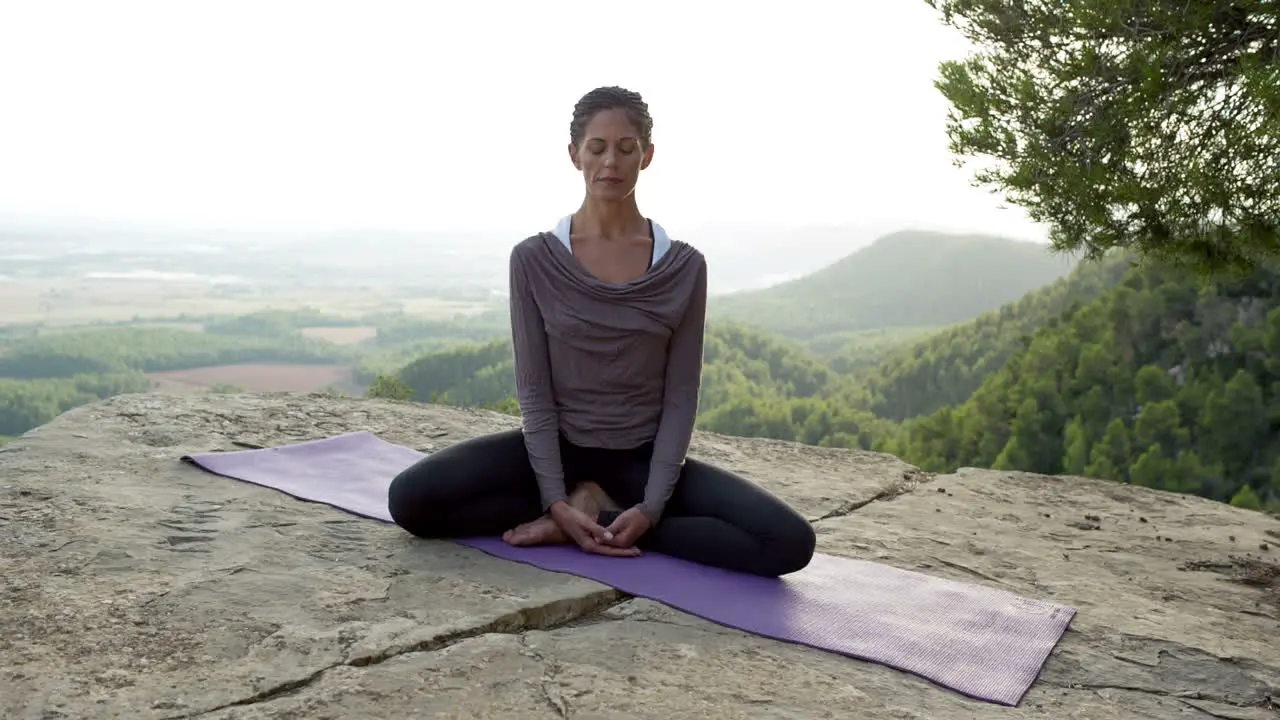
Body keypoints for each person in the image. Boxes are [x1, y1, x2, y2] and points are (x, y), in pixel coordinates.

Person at [387, 86, 816, 577]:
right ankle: (571, 512)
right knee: (411, 501)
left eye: (626, 147)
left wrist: (651, 506)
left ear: (647, 156)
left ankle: (602, 516)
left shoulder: (684, 267)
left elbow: (680, 395)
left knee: (789, 542)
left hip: (640, 462)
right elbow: (534, 389)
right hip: (556, 451)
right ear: (575, 155)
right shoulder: (533, 259)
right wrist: (554, 499)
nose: (611, 160)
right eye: (597, 147)